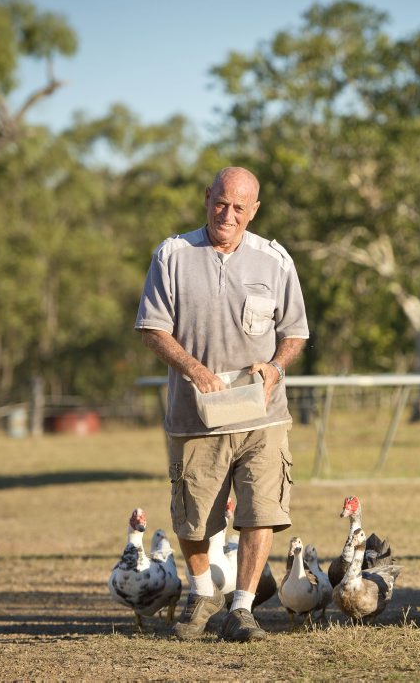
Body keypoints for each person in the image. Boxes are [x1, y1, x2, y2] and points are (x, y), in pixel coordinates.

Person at [134, 167, 309, 642]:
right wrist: (193, 368)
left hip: (262, 415)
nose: (227, 214)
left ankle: (243, 608)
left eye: (239, 207)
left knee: (261, 510)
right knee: (193, 518)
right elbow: (152, 327)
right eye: (220, 202)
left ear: (254, 211)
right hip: (195, 417)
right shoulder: (172, 255)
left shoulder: (275, 261)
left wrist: (275, 367)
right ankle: (200, 594)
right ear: (206, 197)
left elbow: (294, 333)